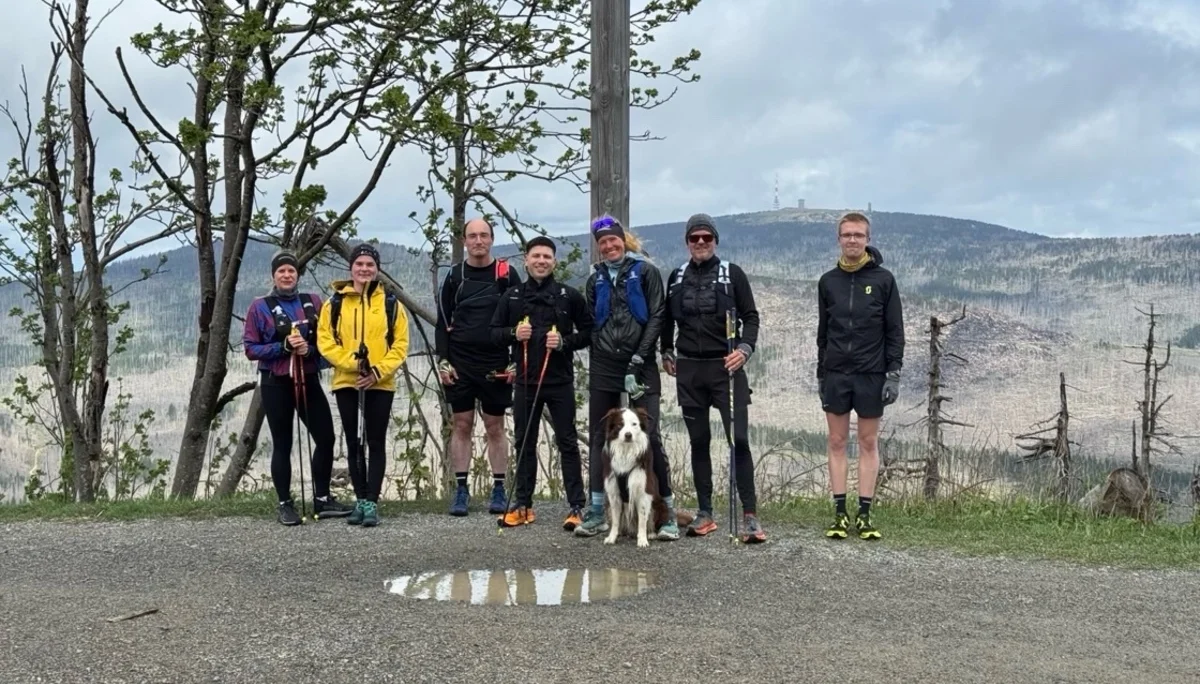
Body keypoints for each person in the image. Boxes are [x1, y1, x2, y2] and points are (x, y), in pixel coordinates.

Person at [573, 214, 679, 541]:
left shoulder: (644, 272)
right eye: (602, 243)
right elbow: (591, 323)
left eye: (613, 240)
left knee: (650, 436)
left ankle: (667, 512)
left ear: (623, 240)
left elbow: (658, 315)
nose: (609, 246)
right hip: (605, 363)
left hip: (641, 362)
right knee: (601, 435)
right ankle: (596, 510)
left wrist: (640, 356)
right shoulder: (596, 280)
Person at [661, 213, 766, 543]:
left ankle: (749, 515)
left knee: (740, 440)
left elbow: (751, 316)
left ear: (715, 240)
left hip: (727, 368)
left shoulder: (732, 274)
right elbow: (665, 321)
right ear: (687, 242)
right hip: (690, 370)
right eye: (695, 238)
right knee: (698, 441)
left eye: (707, 237)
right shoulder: (676, 277)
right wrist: (666, 351)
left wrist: (745, 349)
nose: (702, 243)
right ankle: (705, 512)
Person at [242, 250, 354, 525]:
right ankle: (284, 504)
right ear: (274, 276)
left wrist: (309, 350)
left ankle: (323, 498)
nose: (287, 275)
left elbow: (329, 340)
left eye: (291, 271)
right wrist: (283, 347)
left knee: (326, 438)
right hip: (275, 382)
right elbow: (250, 348)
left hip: (308, 378)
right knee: (282, 443)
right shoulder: (260, 306)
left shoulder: (313, 302)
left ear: (297, 275)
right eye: (281, 271)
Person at [491, 236, 592, 530]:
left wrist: (564, 341)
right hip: (525, 381)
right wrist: (513, 334)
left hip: (559, 381)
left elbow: (588, 332)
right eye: (536, 256)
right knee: (524, 442)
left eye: (547, 257)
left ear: (554, 262)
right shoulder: (511, 296)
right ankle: (523, 505)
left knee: (568, 443)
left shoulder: (568, 296)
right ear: (526, 260)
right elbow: (493, 333)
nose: (541, 261)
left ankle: (577, 507)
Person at [816, 211, 904, 541]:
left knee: (868, 443)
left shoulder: (883, 280)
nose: (852, 240)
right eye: (847, 234)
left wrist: (893, 373)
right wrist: (821, 373)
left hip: (871, 373)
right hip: (837, 373)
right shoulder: (828, 282)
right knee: (837, 442)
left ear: (868, 240)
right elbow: (823, 332)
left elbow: (895, 331)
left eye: (859, 235)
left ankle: (864, 515)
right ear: (839, 239)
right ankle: (840, 514)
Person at [316, 242, 410, 527]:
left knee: (375, 441)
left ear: (377, 269)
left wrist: (377, 371)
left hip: (380, 383)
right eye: (360, 264)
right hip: (347, 381)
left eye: (370, 265)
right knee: (354, 442)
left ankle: (371, 502)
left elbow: (400, 345)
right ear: (351, 268)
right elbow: (325, 343)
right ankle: (360, 500)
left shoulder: (391, 304)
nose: (365, 269)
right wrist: (352, 364)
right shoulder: (335, 303)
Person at [436, 218, 522, 517]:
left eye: (484, 235)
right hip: (460, 361)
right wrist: (443, 361)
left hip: (496, 363)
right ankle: (461, 489)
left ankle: (499, 487)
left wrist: (516, 359)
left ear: (492, 239)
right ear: (464, 241)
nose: (478, 241)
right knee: (461, 425)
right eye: (472, 236)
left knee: (495, 427)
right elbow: (442, 323)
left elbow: (521, 321)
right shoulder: (454, 276)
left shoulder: (506, 275)